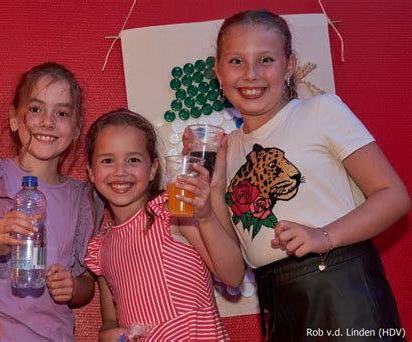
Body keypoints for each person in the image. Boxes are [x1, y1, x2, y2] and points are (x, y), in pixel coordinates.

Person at [184, 9, 410, 341]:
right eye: (236, 62)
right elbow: (232, 274)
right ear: (217, 70)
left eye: (265, 60)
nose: (251, 74)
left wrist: (325, 236)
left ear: (289, 65)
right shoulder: (227, 150)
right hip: (278, 307)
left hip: (344, 294)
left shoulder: (321, 111)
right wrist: (206, 205)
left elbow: (394, 196)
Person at [0, 62, 104, 341]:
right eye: (36, 109)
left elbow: (88, 283)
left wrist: (73, 287)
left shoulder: (84, 199)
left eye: (62, 113)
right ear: (15, 119)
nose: (47, 121)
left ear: (76, 128)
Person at [84, 109, 244, 341]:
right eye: (108, 160)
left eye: (133, 160)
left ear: (152, 169)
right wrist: (106, 334)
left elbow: (233, 275)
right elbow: (110, 319)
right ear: (90, 171)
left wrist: (206, 215)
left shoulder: (172, 213)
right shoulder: (100, 249)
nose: (120, 171)